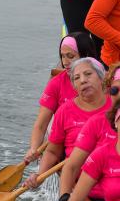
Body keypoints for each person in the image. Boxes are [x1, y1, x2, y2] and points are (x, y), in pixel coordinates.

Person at [57, 63, 120, 201]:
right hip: (101, 197)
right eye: (114, 90)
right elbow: (71, 166)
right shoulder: (96, 122)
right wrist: (64, 197)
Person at [23, 58, 110, 188]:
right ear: (74, 86)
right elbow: (53, 152)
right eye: (76, 78)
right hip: (80, 185)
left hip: (114, 182)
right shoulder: (65, 111)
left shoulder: (119, 108)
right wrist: (39, 175)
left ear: (101, 77)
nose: (83, 80)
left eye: (88, 74)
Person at [24, 32, 97, 164]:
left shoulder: (104, 81)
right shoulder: (57, 83)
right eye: (62, 56)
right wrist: (34, 148)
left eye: (70, 56)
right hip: (66, 140)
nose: (65, 62)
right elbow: (41, 124)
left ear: (86, 56)